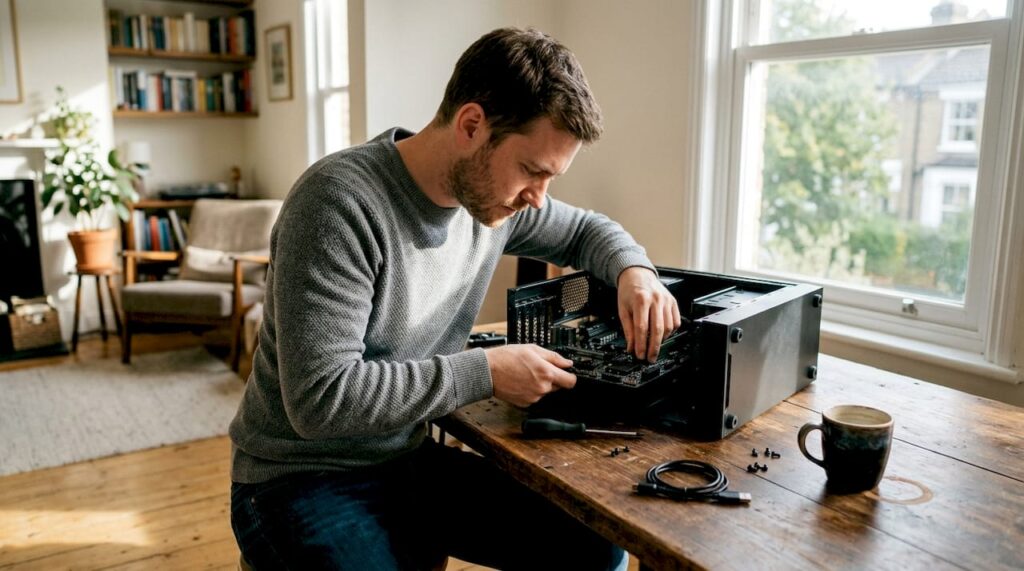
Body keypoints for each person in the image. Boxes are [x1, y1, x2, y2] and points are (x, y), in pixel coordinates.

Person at [229, 27, 680, 570]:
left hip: (405, 461)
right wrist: (484, 372)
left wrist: (636, 270)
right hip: (299, 479)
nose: (539, 199)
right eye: (533, 171)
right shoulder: (337, 204)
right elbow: (322, 401)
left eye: (551, 178)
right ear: (472, 125)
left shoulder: (492, 201)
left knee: (597, 545)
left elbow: (586, 231)